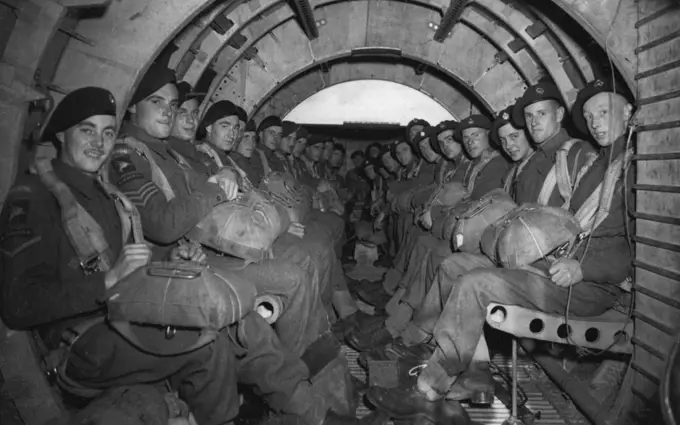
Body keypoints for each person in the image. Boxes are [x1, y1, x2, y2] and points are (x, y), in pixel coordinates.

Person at [0, 87, 319, 425]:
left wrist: (174, 260)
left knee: (243, 320)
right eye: (86, 130)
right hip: (82, 341)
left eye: (107, 132)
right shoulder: (32, 198)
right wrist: (107, 281)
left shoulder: (108, 194)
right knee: (207, 342)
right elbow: (18, 304)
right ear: (61, 135)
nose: (99, 141)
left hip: (127, 312)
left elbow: (135, 262)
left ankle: (308, 413)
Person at [367, 79, 634, 420]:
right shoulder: (597, 163)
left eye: (604, 112)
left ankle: (430, 387)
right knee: (454, 266)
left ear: (628, 112)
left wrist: (586, 268)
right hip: (550, 264)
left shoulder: (626, 167)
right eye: (590, 114)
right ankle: (472, 372)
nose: (596, 121)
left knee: (474, 283)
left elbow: (640, 242)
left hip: (584, 283)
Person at [107, 68, 325, 357]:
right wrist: (218, 187)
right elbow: (164, 224)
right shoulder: (128, 154)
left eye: (173, 106)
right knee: (293, 276)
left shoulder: (167, 153)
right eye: (157, 102)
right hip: (176, 262)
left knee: (305, 258)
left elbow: (215, 189)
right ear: (133, 105)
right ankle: (305, 368)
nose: (170, 113)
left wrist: (223, 179)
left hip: (204, 248)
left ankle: (315, 357)